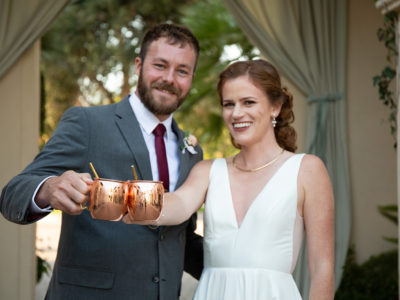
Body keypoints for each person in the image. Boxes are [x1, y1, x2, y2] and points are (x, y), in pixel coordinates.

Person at [0, 23, 203, 299]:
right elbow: (13, 194)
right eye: (160, 65)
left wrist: (248, 269)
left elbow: (180, 239)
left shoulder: (192, 153)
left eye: (182, 71)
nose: (169, 78)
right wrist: (48, 189)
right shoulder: (87, 123)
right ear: (138, 65)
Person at [135, 59, 335, 299]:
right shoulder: (208, 170)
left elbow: (323, 268)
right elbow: (176, 205)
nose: (236, 113)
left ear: (276, 107)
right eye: (228, 104)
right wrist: (127, 199)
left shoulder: (307, 170)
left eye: (248, 102)